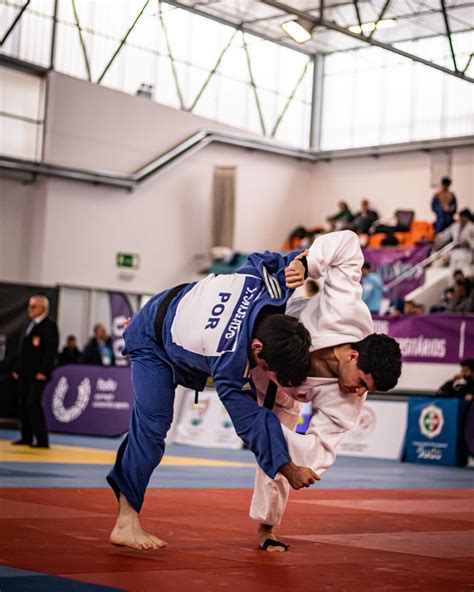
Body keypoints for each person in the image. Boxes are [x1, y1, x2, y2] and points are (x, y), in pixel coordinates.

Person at [107, 247, 318, 551]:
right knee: (153, 426)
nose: (266, 373)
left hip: (178, 308)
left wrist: (303, 262)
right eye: (267, 368)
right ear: (257, 348)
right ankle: (126, 523)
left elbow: (265, 257)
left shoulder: (267, 285)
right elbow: (250, 423)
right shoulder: (229, 360)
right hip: (151, 340)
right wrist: (289, 468)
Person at [247, 231, 402, 551]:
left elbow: (319, 450)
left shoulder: (349, 400)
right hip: (268, 330)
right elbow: (347, 243)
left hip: (286, 388)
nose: (359, 392)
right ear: (353, 355)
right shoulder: (347, 309)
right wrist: (309, 265)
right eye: (362, 382)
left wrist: (281, 447)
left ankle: (267, 529)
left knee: (280, 460)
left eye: (366, 391)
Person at [11, 295, 59, 448]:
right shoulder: (29, 324)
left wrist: (44, 371)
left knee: (33, 404)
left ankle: (42, 439)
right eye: (30, 306)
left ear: (43, 309)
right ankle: (26, 436)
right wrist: (17, 368)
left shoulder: (49, 327)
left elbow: (50, 352)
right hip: (24, 372)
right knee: (23, 403)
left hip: (38, 374)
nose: (29, 310)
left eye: (33, 307)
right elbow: (22, 350)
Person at [436, 208, 474, 276]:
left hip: (466, 251)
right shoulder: (455, 226)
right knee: (452, 270)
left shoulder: (471, 227)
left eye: (463, 217)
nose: (461, 219)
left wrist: (468, 242)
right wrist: (438, 237)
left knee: (462, 267)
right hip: (455, 251)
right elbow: (446, 234)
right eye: (460, 217)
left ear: (467, 218)